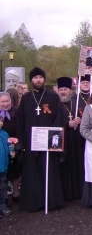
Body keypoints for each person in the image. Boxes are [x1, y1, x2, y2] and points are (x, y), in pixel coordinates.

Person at [17, 67, 65, 212]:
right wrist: (21, 142)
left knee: (48, 170)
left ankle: (51, 201)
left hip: (48, 142)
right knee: (31, 172)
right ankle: (33, 202)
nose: (38, 80)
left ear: (44, 79)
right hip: (31, 143)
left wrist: (53, 138)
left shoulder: (52, 96)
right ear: (31, 80)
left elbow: (59, 117)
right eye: (35, 77)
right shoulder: (26, 98)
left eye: (40, 77)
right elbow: (20, 121)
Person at [57, 76, 85, 201]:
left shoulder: (76, 101)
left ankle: (79, 191)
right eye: (61, 89)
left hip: (77, 140)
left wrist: (79, 119)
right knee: (65, 167)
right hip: (63, 140)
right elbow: (52, 121)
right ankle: (66, 193)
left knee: (78, 164)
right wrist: (67, 124)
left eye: (65, 89)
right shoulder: (55, 104)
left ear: (70, 90)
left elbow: (84, 116)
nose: (63, 91)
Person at [1, 91, 20, 203]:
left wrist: (17, 142)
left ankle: (16, 194)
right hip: (1, 147)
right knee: (3, 173)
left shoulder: (16, 111)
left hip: (14, 144)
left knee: (15, 170)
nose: (5, 104)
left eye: (7, 101)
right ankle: (4, 197)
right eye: (2, 102)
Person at [0, 115, 14, 216]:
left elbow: (9, 146)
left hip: (3, 166)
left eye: (1, 120)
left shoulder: (5, 134)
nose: (0, 123)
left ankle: (2, 205)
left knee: (2, 186)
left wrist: (11, 151)